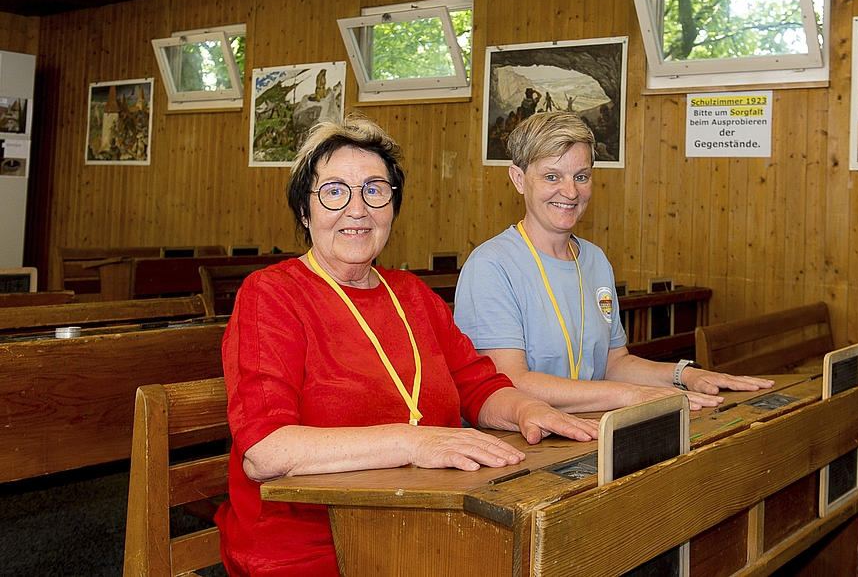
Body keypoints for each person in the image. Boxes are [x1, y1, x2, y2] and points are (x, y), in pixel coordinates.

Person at [215, 114, 597, 576]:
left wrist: (526, 410)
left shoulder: (411, 293)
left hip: (430, 522)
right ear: (304, 210)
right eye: (334, 191)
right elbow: (266, 452)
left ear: (392, 206)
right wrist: (415, 443)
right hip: (313, 543)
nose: (357, 209)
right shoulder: (271, 294)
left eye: (375, 190)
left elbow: (478, 387)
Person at [453, 112, 773, 413]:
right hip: (519, 444)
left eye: (581, 177)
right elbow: (509, 383)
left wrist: (685, 376)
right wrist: (629, 395)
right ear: (519, 179)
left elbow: (614, 363)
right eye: (552, 176)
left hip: (589, 430)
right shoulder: (491, 266)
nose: (570, 191)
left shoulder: (594, 260)